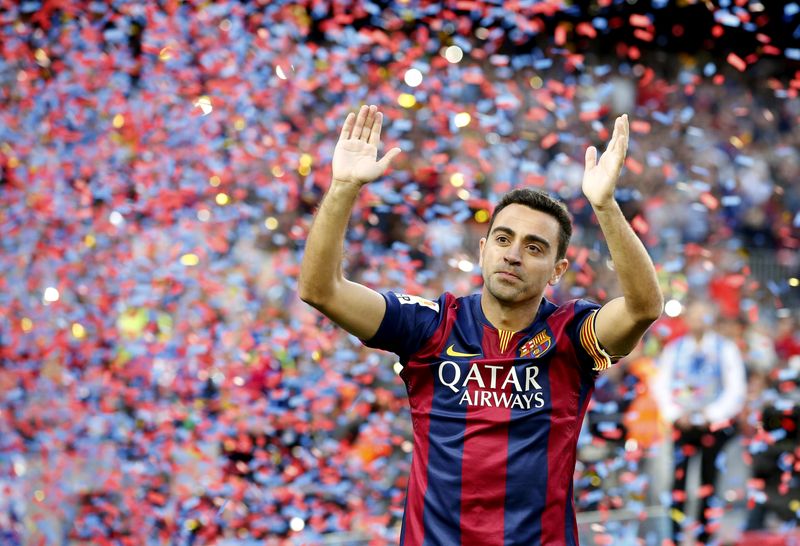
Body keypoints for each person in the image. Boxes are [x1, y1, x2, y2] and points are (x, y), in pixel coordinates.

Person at [298, 104, 663, 545]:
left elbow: (644, 307)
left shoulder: (573, 334)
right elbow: (321, 290)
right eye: (505, 239)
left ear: (557, 269)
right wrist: (342, 187)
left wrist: (604, 205)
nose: (513, 254)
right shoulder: (430, 325)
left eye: (534, 247)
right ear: (483, 248)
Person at [652, 300, 747, 545]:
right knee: (678, 480)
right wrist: (675, 414)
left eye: (703, 316)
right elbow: (661, 385)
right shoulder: (675, 349)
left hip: (712, 427)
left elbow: (736, 388)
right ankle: (674, 533)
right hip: (682, 426)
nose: (698, 322)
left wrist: (712, 414)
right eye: (694, 316)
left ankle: (705, 535)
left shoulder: (725, 349)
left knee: (710, 480)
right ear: (686, 320)